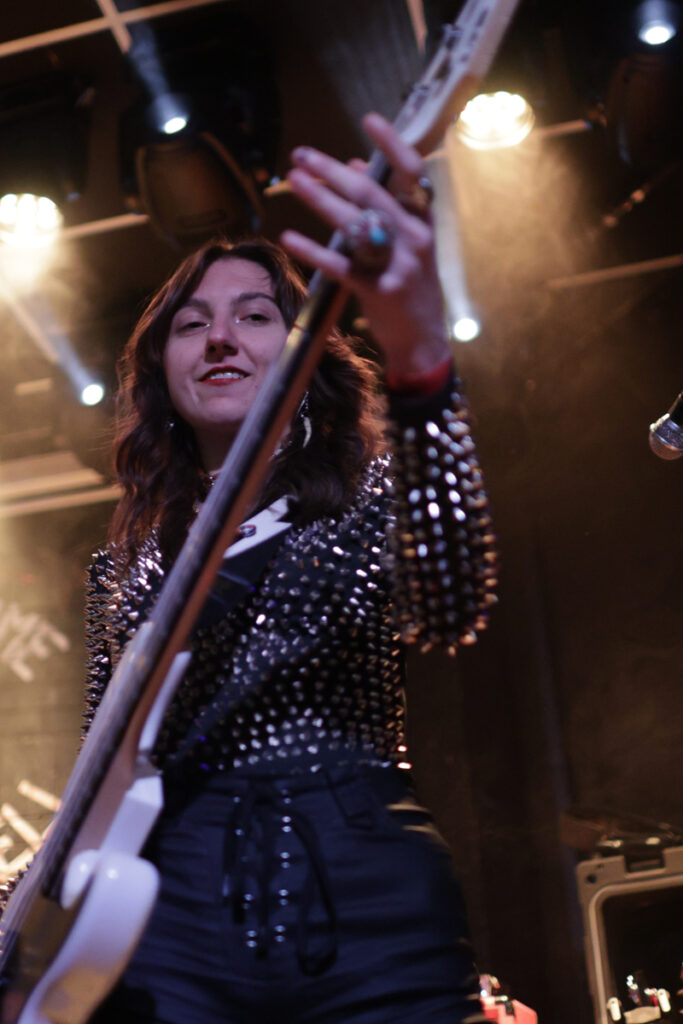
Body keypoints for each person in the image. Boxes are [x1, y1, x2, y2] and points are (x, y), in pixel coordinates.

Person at [83, 113, 498, 1024]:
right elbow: (97, 776)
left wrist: (422, 364)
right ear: (161, 370)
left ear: (305, 358)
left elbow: (453, 603)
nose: (219, 338)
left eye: (254, 316)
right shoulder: (123, 561)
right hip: (167, 913)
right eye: (191, 324)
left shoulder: (369, 494)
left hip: (362, 877)